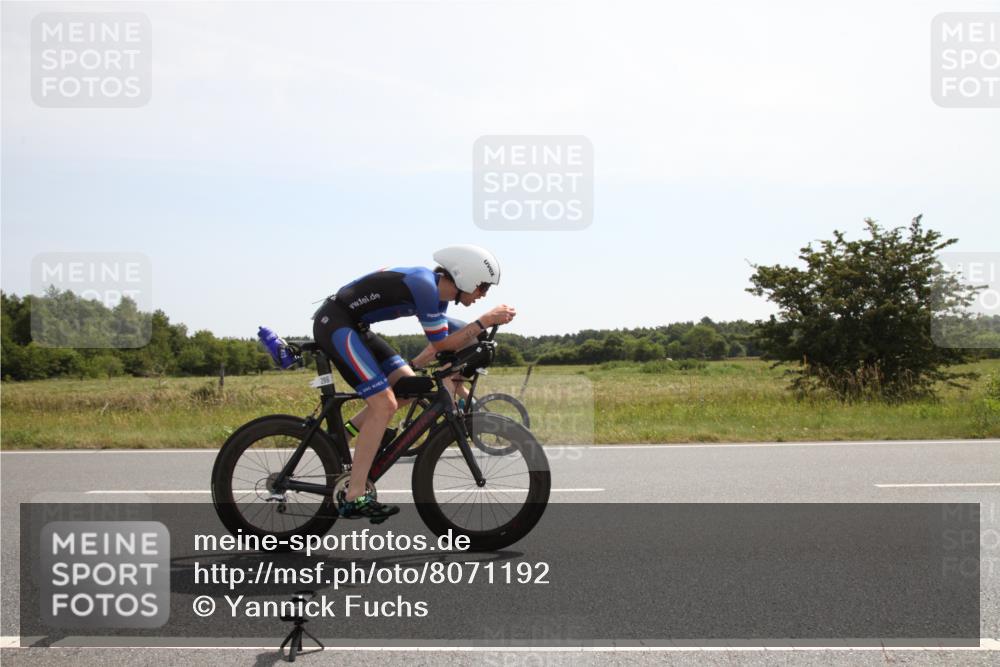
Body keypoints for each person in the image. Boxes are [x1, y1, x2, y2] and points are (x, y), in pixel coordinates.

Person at [312, 245, 516, 522]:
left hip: (357, 328)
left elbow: (441, 350)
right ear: (466, 276)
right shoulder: (424, 286)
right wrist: (484, 321)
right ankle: (354, 496)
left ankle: (343, 434)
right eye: (482, 287)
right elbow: (442, 342)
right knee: (384, 404)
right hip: (336, 324)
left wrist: (455, 368)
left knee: (409, 388)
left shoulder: (438, 298)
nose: (483, 295)